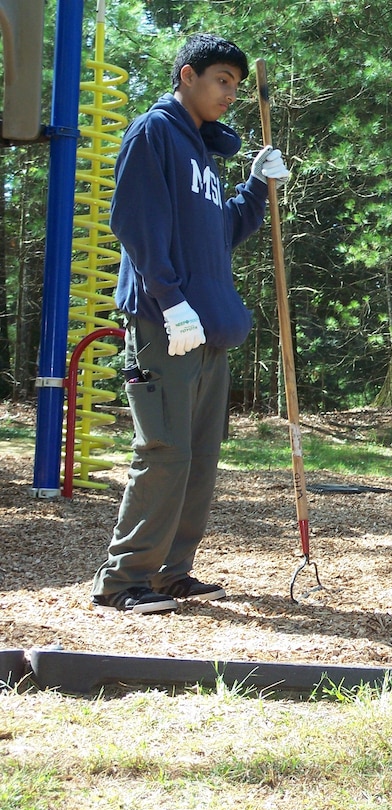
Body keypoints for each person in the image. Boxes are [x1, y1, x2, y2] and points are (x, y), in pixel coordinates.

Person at [90, 34, 291, 614]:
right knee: (163, 450)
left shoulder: (203, 153)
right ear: (187, 76)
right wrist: (170, 299)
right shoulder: (155, 133)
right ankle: (124, 578)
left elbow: (220, 231)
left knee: (200, 456)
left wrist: (256, 184)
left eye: (235, 82)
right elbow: (134, 219)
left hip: (207, 329)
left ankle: (171, 573)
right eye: (221, 80)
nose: (230, 92)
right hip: (165, 321)